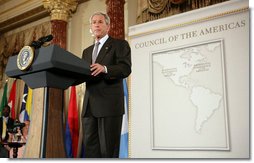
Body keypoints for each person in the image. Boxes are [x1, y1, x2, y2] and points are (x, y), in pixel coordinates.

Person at [81, 11, 131, 158]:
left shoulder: (119, 45)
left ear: (108, 26)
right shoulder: (86, 51)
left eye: (100, 21)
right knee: (91, 150)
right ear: (91, 27)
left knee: (108, 151)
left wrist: (105, 68)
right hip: (89, 106)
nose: (96, 24)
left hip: (109, 106)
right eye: (94, 22)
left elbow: (125, 68)